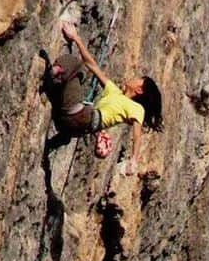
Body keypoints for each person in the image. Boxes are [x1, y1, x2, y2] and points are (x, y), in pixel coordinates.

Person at [40, 20, 163, 172]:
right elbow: (92, 65)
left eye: (138, 79)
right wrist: (76, 38)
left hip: (80, 116)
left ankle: (49, 74)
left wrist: (134, 159)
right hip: (72, 122)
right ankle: (54, 84)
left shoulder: (137, 109)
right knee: (80, 73)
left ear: (139, 90)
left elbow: (137, 134)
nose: (134, 78)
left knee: (75, 64)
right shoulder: (114, 91)